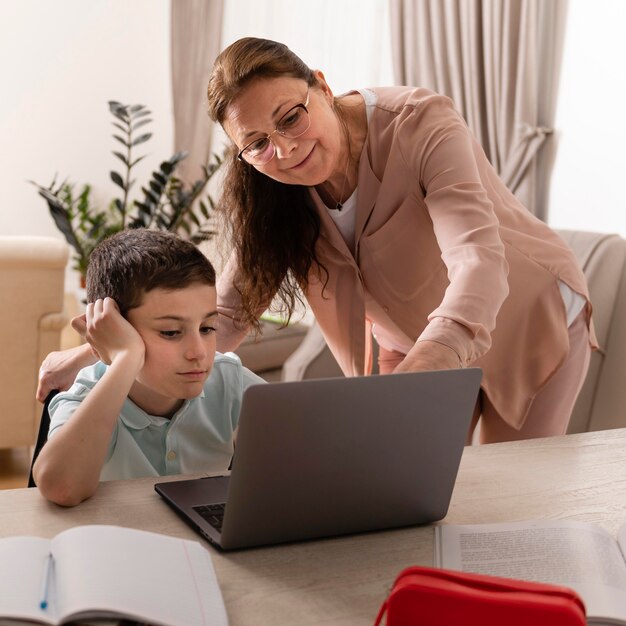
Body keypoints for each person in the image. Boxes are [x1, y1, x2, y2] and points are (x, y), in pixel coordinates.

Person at [38, 37, 595, 444]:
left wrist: (422, 372)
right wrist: (92, 355)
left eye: (292, 118)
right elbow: (225, 315)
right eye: (256, 143)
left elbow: (477, 262)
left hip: (529, 312)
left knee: (500, 498)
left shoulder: (421, 123)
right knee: (397, 484)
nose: (283, 150)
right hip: (412, 334)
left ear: (322, 87)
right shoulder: (271, 192)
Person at [33, 229, 264, 507]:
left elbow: (312, 445)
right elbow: (60, 487)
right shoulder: (85, 395)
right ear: (112, 331)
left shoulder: (228, 378)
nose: (199, 352)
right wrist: (126, 358)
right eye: (170, 332)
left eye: (207, 328)